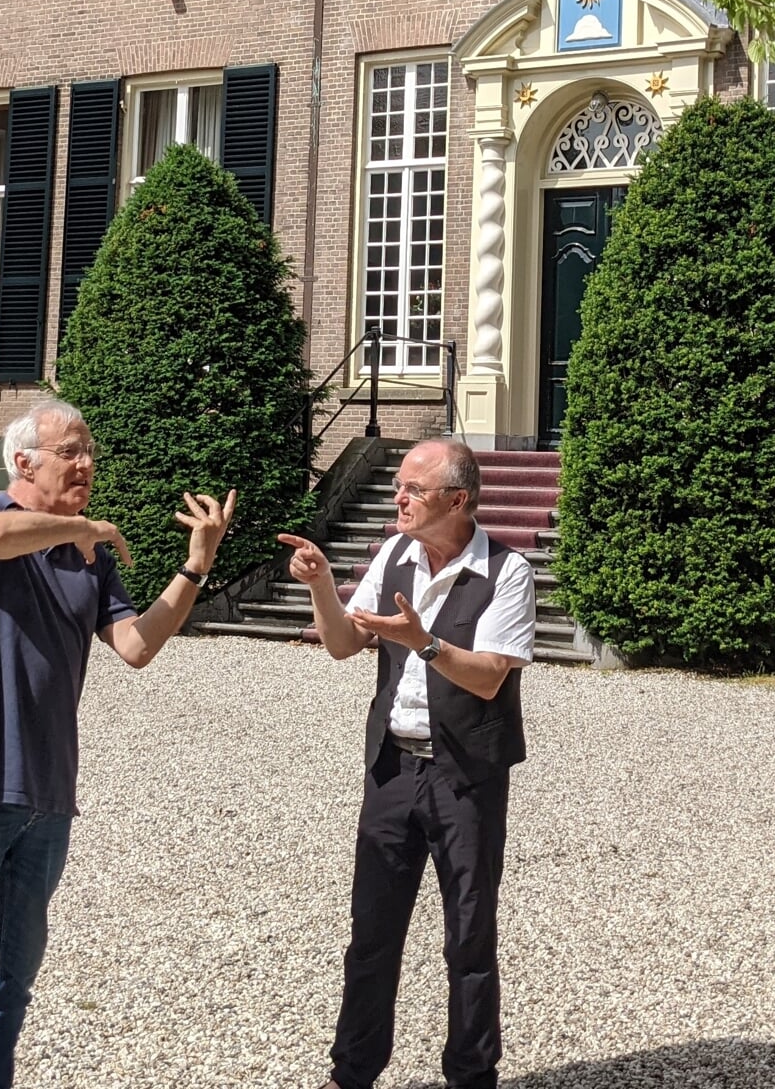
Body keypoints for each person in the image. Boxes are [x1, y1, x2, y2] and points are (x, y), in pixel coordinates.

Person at [0, 399, 235, 1089]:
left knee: (10, 983)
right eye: (71, 450)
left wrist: (195, 565)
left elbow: (136, 644)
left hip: (47, 798)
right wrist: (79, 525)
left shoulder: (86, 558)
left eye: (89, 449)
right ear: (23, 460)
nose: (87, 462)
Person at [278, 439, 536, 1089]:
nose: (399, 497)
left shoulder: (506, 572)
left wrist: (423, 641)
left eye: (412, 490)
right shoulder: (392, 553)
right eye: (398, 485)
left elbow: (486, 679)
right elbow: (343, 644)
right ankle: (352, 1071)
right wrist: (320, 590)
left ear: (457, 499)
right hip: (393, 766)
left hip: (466, 772)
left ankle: (472, 1074)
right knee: (372, 930)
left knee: (468, 935)